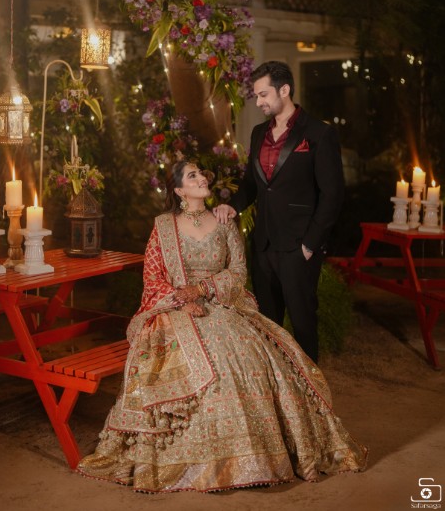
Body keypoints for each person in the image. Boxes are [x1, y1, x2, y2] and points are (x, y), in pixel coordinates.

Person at [77, 160, 366, 493]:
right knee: (187, 359)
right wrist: (181, 299)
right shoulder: (164, 226)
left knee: (249, 353)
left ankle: (253, 457)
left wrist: (202, 290)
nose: (202, 178)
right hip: (175, 308)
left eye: (201, 173)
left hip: (221, 304)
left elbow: (238, 273)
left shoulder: (225, 221)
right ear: (179, 190)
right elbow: (152, 277)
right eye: (193, 175)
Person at [214, 60, 345, 364]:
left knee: (302, 323)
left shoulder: (319, 133)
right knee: (268, 325)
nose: (258, 102)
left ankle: (309, 388)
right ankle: (276, 385)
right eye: (256, 96)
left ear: (284, 90)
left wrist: (309, 245)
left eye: (263, 95)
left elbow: (332, 195)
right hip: (263, 244)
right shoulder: (259, 133)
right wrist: (232, 205)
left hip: (299, 246)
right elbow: (252, 183)